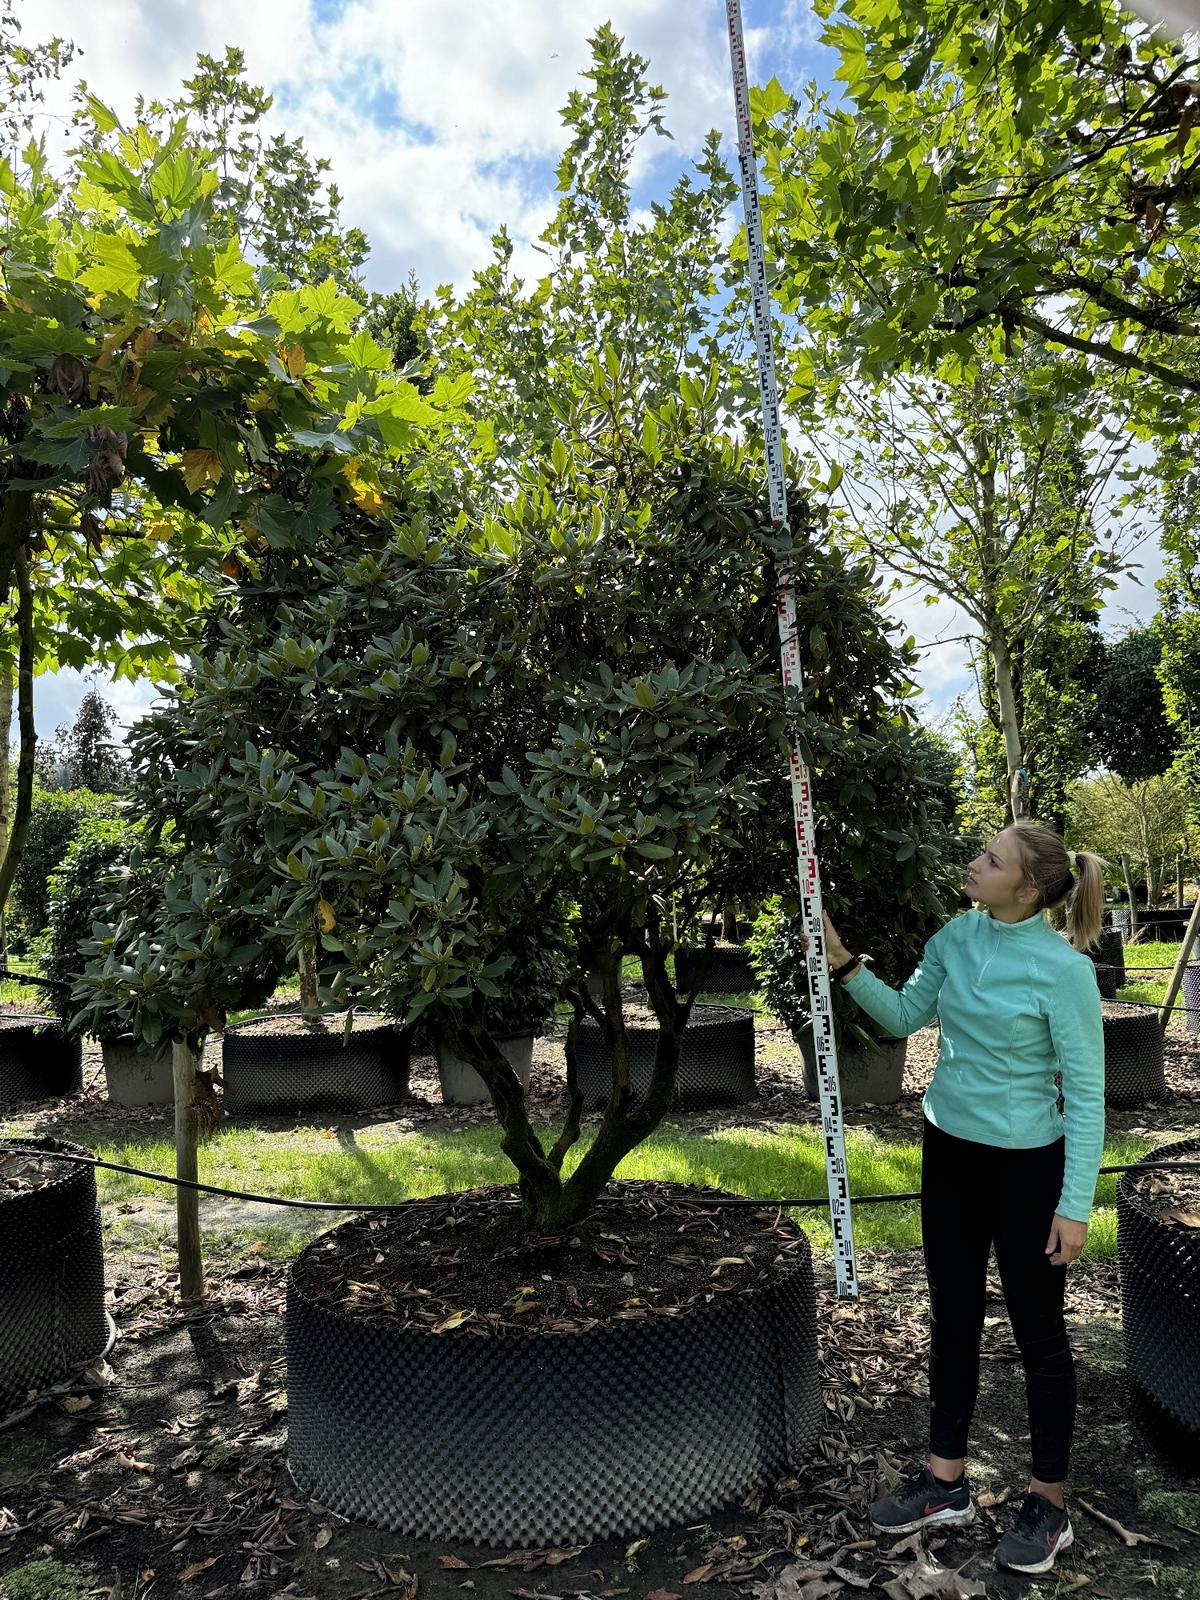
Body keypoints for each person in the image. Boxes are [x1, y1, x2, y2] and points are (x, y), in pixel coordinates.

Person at [813, 823, 1105, 1577]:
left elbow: (1090, 1096)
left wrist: (1074, 1205)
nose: (973, 863)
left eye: (990, 859)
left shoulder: (1063, 970)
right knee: (953, 1317)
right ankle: (946, 1482)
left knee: (1039, 1334)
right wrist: (844, 963)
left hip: (1028, 1169)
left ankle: (1048, 1501)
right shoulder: (957, 935)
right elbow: (907, 1017)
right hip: (949, 1154)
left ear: (1028, 889)